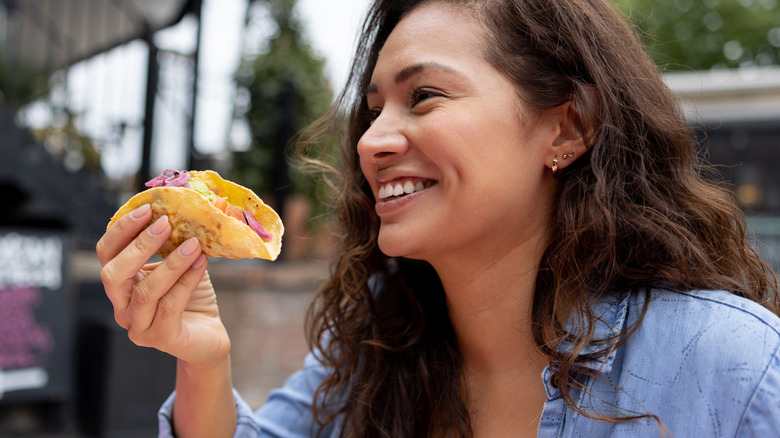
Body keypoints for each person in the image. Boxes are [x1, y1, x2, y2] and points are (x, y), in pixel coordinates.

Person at [96, 0, 780, 436]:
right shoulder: (372, 350)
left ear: (566, 129)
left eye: (424, 96)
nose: (370, 141)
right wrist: (204, 363)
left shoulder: (732, 368)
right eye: (373, 110)